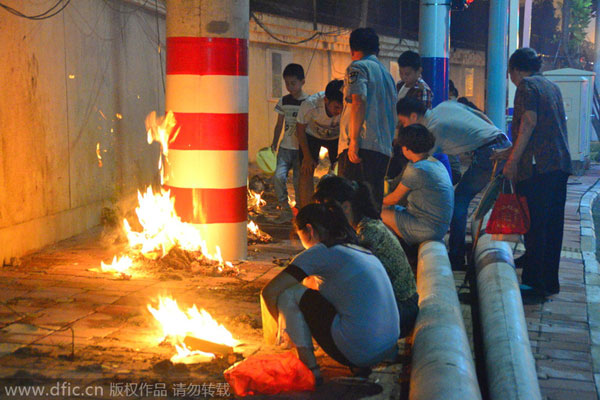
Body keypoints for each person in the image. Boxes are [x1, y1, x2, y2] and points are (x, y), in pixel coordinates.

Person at [261, 203, 399, 384]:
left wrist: (281, 330)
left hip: (361, 349)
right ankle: (358, 362)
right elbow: (313, 286)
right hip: (386, 346)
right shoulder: (355, 248)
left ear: (309, 230)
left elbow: (270, 291)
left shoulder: (321, 251)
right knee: (307, 290)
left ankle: (310, 370)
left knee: (288, 294)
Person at [396, 97, 511, 270]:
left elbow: (419, 162)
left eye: (403, 122)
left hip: (490, 153)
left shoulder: (432, 130)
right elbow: (480, 115)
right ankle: (458, 251)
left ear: (413, 117)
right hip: (499, 141)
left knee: (460, 201)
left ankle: (456, 256)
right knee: (461, 198)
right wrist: (490, 132)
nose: (404, 127)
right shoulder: (444, 106)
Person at [502, 47, 571, 301]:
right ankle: (549, 282)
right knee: (552, 226)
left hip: (538, 168)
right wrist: (509, 151)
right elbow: (543, 129)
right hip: (558, 165)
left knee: (535, 225)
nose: (511, 78)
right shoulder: (551, 86)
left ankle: (534, 284)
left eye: (510, 73)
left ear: (516, 70)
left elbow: (529, 122)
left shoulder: (527, 86)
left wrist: (512, 160)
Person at [313, 176, 419, 337]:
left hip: (400, 312)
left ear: (346, 207)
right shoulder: (363, 226)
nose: (325, 217)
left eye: (328, 209)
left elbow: (346, 281)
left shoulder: (367, 233)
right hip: (397, 308)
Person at [337, 27, 397, 210]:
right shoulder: (387, 75)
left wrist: (353, 141)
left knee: (351, 203)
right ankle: (372, 238)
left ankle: (356, 239)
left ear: (353, 50)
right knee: (372, 203)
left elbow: (358, 101)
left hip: (361, 147)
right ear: (376, 50)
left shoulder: (357, 67)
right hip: (382, 149)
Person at [381, 124, 454, 245]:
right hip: (439, 226)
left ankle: (395, 252)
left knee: (378, 213)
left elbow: (394, 199)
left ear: (407, 148)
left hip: (428, 228)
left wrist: (373, 202)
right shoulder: (435, 163)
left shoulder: (417, 169)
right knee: (387, 209)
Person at [296, 79, 344, 208]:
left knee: (343, 171)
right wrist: (307, 157)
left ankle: (338, 209)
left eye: (342, 107)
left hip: (336, 137)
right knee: (306, 170)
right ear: (326, 100)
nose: (339, 111)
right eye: (336, 107)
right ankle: (307, 210)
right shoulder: (310, 104)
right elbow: (300, 130)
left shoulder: (349, 105)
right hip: (312, 135)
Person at [271, 63, 309, 222]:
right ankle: (284, 208)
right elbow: (279, 123)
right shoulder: (284, 101)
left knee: (298, 181)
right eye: (287, 83)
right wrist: (274, 142)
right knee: (278, 177)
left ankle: (300, 211)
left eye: (293, 83)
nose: (290, 87)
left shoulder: (308, 102)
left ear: (302, 82)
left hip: (300, 149)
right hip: (285, 148)